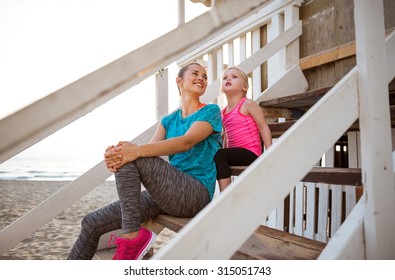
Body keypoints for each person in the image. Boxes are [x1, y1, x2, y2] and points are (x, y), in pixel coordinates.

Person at [67, 62, 222, 260]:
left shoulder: (210, 111)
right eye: (195, 73)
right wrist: (118, 156)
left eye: (204, 76)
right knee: (91, 223)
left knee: (134, 154)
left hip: (195, 194)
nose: (201, 78)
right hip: (166, 193)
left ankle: (132, 238)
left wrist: (130, 152)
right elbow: (147, 152)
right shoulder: (168, 120)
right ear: (179, 81)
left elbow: (186, 142)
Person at [214, 66, 272, 192]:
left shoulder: (247, 104)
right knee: (216, 154)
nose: (228, 78)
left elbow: (263, 127)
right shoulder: (223, 112)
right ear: (221, 88)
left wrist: (270, 152)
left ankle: (225, 195)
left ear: (244, 87)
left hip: (251, 153)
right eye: (225, 78)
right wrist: (225, 153)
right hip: (237, 153)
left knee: (219, 154)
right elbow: (227, 137)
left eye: (234, 77)